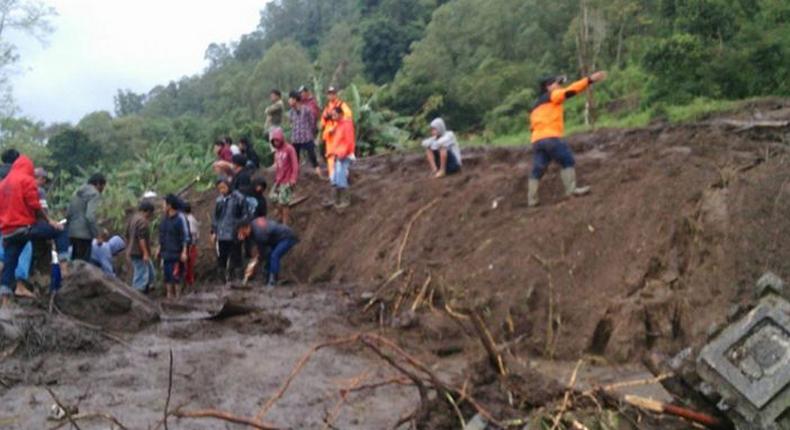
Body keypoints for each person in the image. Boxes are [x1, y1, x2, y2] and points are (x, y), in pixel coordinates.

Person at [527, 72, 607, 207]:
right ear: (548, 87)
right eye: (556, 83)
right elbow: (571, 90)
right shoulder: (553, 95)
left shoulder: (535, 106)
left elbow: (531, 126)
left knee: (538, 168)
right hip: (551, 136)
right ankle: (571, 190)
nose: (559, 86)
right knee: (567, 159)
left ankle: (532, 200)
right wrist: (589, 80)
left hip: (536, 140)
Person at [0, 154, 70, 306]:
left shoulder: (3, 183)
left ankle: (4, 300)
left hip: (8, 231)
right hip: (25, 228)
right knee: (61, 230)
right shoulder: (26, 180)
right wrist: (50, 221)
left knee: (9, 263)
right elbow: (35, 205)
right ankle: (64, 266)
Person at [211, 178, 250, 282]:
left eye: (223, 187)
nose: (222, 190)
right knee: (221, 256)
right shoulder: (219, 200)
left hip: (234, 232)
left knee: (236, 255)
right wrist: (214, 231)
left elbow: (245, 215)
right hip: (222, 232)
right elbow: (215, 218)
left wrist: (241, 229)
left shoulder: (239, 198)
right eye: (219, 188)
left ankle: (237, 279)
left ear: (229, 186)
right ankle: (222, 279)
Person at [246, 217, 299, 288]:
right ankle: (267, 277)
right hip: (278, 237)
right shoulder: (255, 225)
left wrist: (257, 259)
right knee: (270, 256)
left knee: (274, 255)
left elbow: (264, 249)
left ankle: (272, 280)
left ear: (247, 227)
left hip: (286, 237)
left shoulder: (258, 232)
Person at [67, 173, 106, 261]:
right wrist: (97, 235)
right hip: (84, 235)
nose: (102, 189)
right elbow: (90, 216)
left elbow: (68, 213)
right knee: (82, 265)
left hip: (72, 233)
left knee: (74, 262)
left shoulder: (77, 192)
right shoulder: (94, 194)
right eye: (103, 186)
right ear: (98, 184)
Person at [320, 86, 353, 179]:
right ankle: (332, 176)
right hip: (329, 135)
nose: (331, 95)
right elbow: (322, 121)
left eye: (332, 93)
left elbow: (348, 115)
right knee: (330, 155)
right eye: (329, 94)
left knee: (341, 154)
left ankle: (344, 174)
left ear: (336, 94)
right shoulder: (327, 108)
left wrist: (338, 124)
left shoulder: (341, 105)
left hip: (338, 133)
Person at [158, 195, 187, 299]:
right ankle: (169, 296)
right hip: (166, 253)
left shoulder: (179, 219)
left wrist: (184, 252)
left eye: (164, 204)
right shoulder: (164, 220)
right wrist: (159, 249)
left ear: (169, 205)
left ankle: (178, 297)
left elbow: (184, 237)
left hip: (176, 253)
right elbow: (161, 236)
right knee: (167, 276)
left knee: (176, 276)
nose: (162, 206)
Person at [269, 127, 299, 225]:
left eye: (277, 140)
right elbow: (277, 166)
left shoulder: (289, 149)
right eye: (274, 141)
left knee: (284, 203)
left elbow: (295, 164)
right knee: (272, 197)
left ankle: (285, 224)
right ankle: (284, 216)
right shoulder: (277, 152)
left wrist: (293, 178)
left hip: (287, 180)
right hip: (279, 180)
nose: (276, 142)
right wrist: (276, 180)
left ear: (281, 139)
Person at [327, 106, 356, 208]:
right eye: (332, 114)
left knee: (341, 176)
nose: (333, 116)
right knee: (334, 177)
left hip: (345, 155)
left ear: (340, 114)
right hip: (338, 155)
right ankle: (335, 200)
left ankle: (345, 200)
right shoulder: (338, 125)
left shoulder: (346, 125)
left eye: (335, 114)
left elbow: (349, 141)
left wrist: (343, 154)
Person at [288, 91, 321, 176]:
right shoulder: (291, 112)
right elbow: (291, 123)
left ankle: (318, 170)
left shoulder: (306, 109)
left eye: (291, 99)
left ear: (295, 100)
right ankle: (296, 173)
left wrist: (310, 131)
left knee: (312, 154)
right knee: (295, 157)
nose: (289, 101)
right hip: (296, 138)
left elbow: (312, 122)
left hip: (306, 137)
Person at [126, 200, 155, 293]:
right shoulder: (142, 221)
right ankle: (137, 294)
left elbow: (127, 235)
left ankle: (147, 289)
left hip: (133, 250)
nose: (151, 216)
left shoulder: (133, 219)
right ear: (148, 211)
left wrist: (128, 249)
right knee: (141, 275)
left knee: (150, 272)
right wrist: (145, 253)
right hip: (139, 252)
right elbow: (141, 238)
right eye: (151, 213)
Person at [182, 203, 200, 289]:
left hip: (190, 246)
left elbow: (192, 235)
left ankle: (189, 285)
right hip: (191, 246)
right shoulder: (190, 219)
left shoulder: (189, 220)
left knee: (188, 266)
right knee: (189, 266)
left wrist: (188, 248)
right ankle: (188, 284)